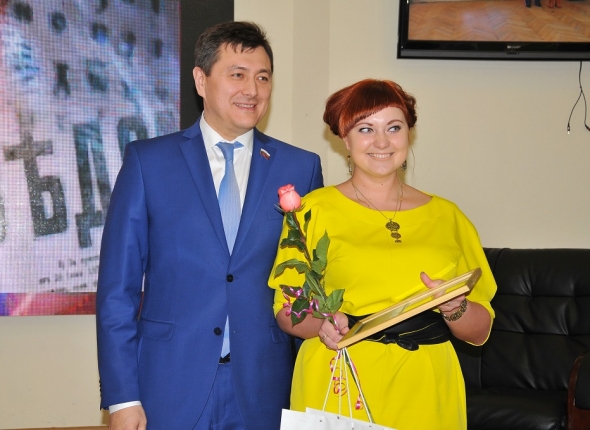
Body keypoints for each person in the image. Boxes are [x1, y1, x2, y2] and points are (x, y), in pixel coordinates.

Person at [96, 21, 323, 430]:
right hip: (167, 386)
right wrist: (122, 398)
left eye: (263, 77)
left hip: (265, 388)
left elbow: (311, 282)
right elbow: (118, 290)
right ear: (201, 80)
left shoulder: (300, 167)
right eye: (237, 74)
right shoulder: (149, 162)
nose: (252, 90)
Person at [268, 79, 496, 430]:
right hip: (339, 377)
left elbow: (480, 331)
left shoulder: (449, 217)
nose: (382, 142)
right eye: (365, 129)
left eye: (393, 127)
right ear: (345, 139)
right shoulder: (311, 210)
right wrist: (322, 324)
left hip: (427, 382)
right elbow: (287, 312)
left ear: (409, 134)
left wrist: (455, 307)